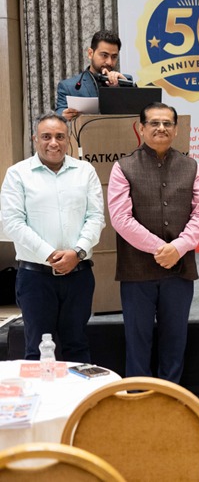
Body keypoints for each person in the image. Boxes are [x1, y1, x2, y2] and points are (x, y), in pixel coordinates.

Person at [107, 102, 199, 382]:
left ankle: (169, 399)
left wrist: (178, 247)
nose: (161, 128)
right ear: (141, 128)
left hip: (179, 270)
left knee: (175, 342)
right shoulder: (123, 167)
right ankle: (139, 399)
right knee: (137, 343)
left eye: (167, 123)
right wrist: (160, 248)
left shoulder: (191, 166)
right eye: (154, 123)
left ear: (176, 130)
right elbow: (120, 218)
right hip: (137, 271)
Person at [0, 114, 104, 361]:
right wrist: (50, 255)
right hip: (35, 278)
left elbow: (96, 218)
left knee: (77, 346)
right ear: (35, 139)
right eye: (46, 136)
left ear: (68, 140)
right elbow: (13, 223)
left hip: (78, 275)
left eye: (60, 136)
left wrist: (77, 253)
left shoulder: (85, 171)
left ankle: (79, 389)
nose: (53, 143)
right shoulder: (18, 174)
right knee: (37, 349)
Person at [55, 30, 133, 120]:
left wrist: (121, 87)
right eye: (104, 55)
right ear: (90, 53)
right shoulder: (69, 87)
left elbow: (139, 112)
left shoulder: (125, 81)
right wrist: (63, 116)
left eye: (114, 57)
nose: (109, 62)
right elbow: (59, 116)